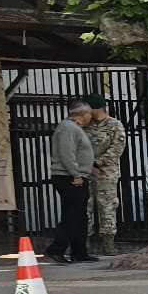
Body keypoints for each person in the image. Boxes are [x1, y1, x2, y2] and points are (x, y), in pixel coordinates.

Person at [45, 101, 97, 264]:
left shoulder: (74, 128)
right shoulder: (68, 128)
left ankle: (79, 252)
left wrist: (88, 169)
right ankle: (56, 249)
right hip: (69, 177)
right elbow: (67, 153)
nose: (91, 117)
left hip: (77, 175)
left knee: (80, 216)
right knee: (72, 214)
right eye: (89, 114)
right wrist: (76, 174)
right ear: (83, 114)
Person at [83, 93, 127, 256]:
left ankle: (108, 242)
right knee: (84, 206)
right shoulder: (83, 125)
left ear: (97, 108)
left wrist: (97, 163)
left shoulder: (115, 125)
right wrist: (87, 164)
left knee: (107, 206)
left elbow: (117, 149)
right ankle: (84, 241)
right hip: (85, 172)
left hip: (107, 173)